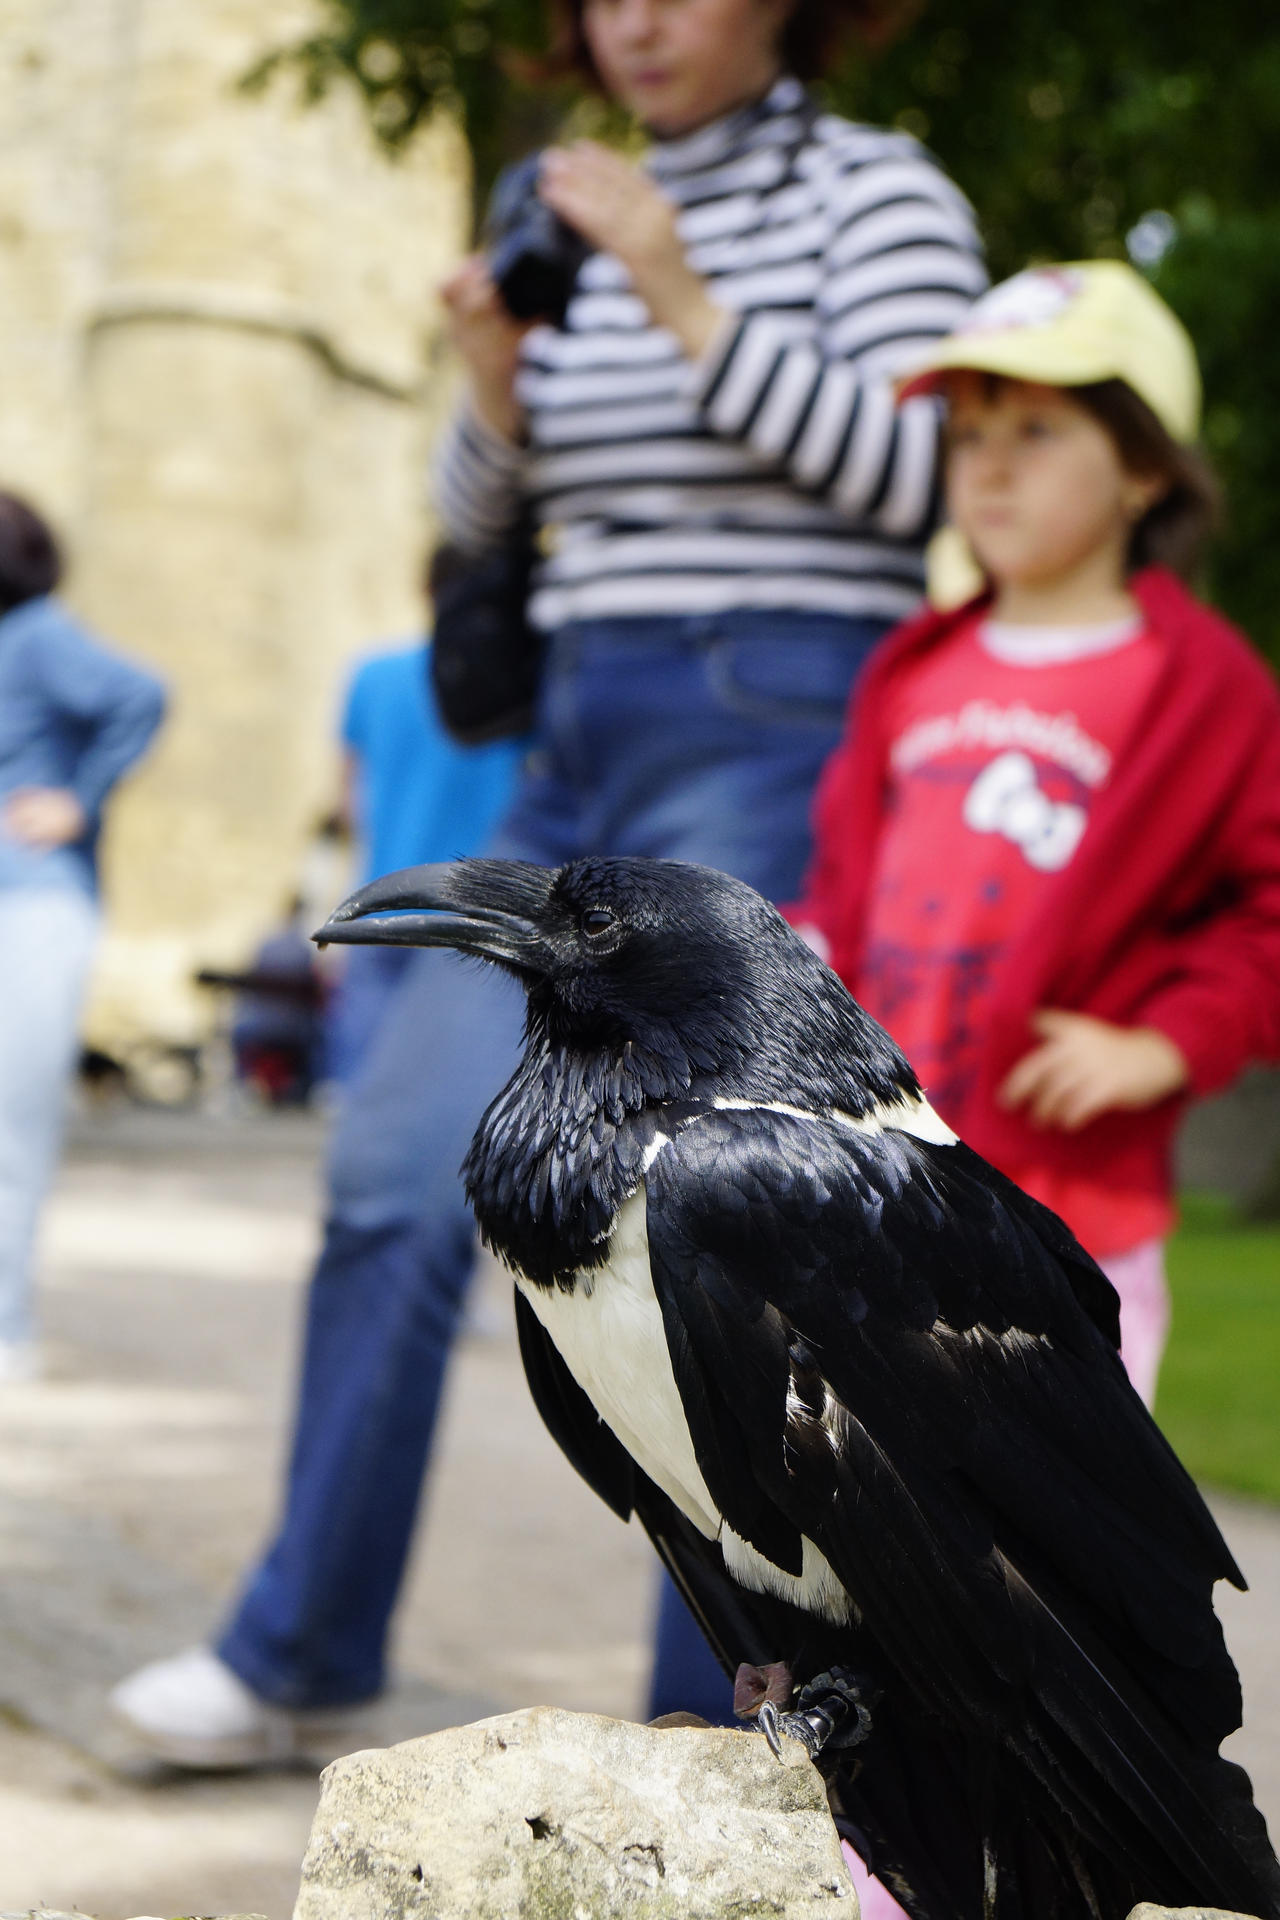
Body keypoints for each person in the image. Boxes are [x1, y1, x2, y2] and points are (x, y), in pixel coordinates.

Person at [112, 0, 983, 1766]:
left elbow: (922, 471)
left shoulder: (877, 196)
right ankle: (301, 1648)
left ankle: (729, 1741)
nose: (635, 18)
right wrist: (497, 393)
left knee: (721, 1233)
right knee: (388, 1171)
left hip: (771, 708)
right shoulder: (556, 204)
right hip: (577, 727)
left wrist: (676, 292)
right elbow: (484, 515)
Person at [791, 259, 1280, 1917]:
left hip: (1067, 1237)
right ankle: (871, 1866)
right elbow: (839, 895)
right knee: (870, 1567)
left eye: (1037, 430)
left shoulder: (1204, 687)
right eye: (968, 432)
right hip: (882, 1227)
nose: (987, 465)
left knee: (1039, 1578)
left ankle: (1039, 1860)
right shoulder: (909, 672)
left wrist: (1169, 1039)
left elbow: (1266, 912)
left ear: (1144, 468)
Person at [0, 491, 166, 1383]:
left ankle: (4, 1328)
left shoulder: (37, 633)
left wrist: (79, 800)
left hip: (28, 909)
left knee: (8, 1130)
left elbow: (142, 694)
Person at [325, 625, 523, 1083]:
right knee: (467, 1080)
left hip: (381, 900)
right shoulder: (512, 683)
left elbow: (346, 805)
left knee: (364, 1077)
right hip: (480, 905)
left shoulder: (372, 676)